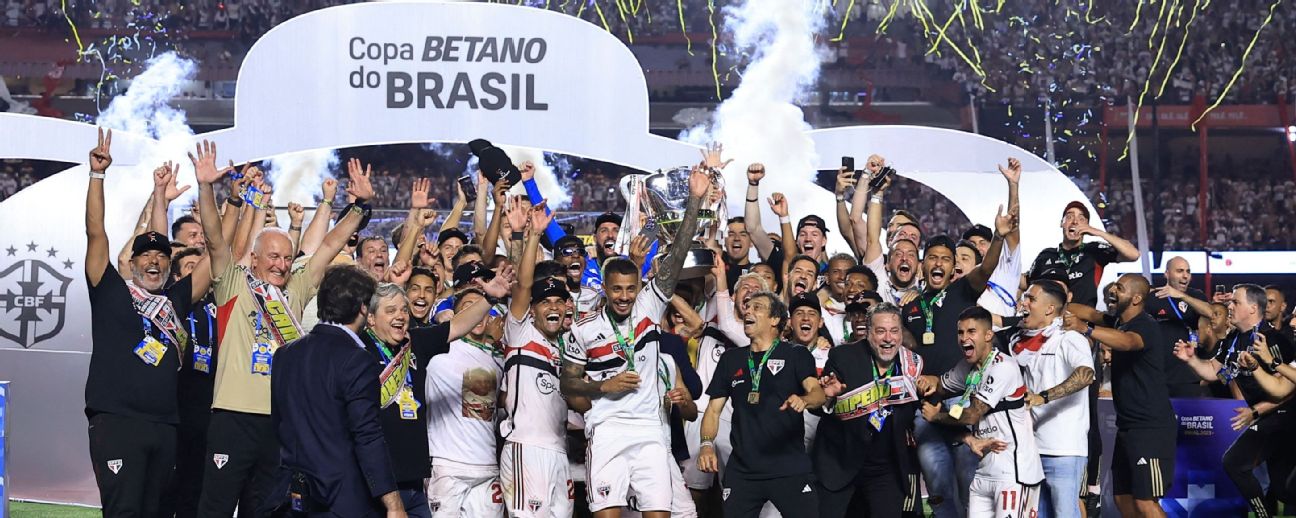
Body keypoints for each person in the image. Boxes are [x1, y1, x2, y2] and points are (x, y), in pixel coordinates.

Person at [193, 144, 372, 516]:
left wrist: (358, 209)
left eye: (287, 257)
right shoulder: (233, 282)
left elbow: (327, 247)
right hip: (233, 415)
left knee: (266, 509)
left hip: (279, 421)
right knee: (216, 508)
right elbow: (213, 238)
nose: (281, 263)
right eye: (273, 256)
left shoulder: (296, 288)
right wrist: (207, 188)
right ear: (254, 258)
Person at [561, 154, 716, 518]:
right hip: (607, 429)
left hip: (649, 431)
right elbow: (568, 383)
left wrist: (694, 201)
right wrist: (603, 387)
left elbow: (677, 256)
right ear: (606, 288)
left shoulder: (648, 305)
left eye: (631, 289)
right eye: (617, 290)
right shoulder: (583, 329)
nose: (625, 297)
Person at [84, 129, 211, 517]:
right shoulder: (108, 288)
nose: (153, 261)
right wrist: (97, 175)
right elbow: (95, 231)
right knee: (124, 511)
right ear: (132, 263)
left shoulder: (172, 300)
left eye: (160, 256)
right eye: (146, 256)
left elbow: (222, 255)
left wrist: (220, 197)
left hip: (165, 425)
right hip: (117, 423)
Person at [270, 265, 406, 518]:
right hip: (342, 501)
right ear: (364, 307)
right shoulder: (358, 360)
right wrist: (394, 504)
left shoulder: (285, 354)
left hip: (290, 497)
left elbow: (278, 425)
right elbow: (367, 436)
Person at [902, 207, 1011, 518]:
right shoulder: (910, 307)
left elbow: (986, 268)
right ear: (923, 265)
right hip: (927, 411)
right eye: (933, 258)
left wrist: (999, 236)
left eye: (945, 259)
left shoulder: (961, 292)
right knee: (937, 488)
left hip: (963, 406)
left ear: (953, 269)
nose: (938, 263)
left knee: (970, 485)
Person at [1170, 284, 1296, 518]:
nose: (1229, 306)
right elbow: (1212, 372)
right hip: (1266, 420)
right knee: (1279, 487)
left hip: (1283, 417)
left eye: (1235, 302)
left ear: (1252, 308)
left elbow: (1287, 391)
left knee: (1242, 467)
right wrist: (1190, 360)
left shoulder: (1274, 340)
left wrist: (1257, 411)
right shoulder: (1233, 341)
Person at [697, 292, 826, 517]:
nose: (748, 310)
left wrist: (804, 400)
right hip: (743, 470)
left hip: (789, 467)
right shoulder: (731, 359)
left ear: (775, 319)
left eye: (757, 307)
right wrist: (706, 444)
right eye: (747, 307)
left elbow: (818, 393)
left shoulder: (796, 354)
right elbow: (713, 410)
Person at [1063, 274, 1175, 518]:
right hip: (1128, 426)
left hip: (1150, 427)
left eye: (1120, 288)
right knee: (1123, 499)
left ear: (1136, 298)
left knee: (1146, 502)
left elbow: (1127, 342)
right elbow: (1089, 312)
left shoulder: (1145, 325)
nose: (1113, 289)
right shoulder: (1117, 322)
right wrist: (1055, 300)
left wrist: (1087, 329)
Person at [918, 307, 1043, 518]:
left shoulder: (1003, 367)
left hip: (1013, 472)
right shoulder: (967, 367)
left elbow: (972, 415)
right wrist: (926, 381)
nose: (964, 338)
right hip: (983, 470)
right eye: (960, 332)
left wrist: (935, 416)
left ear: (988, 335)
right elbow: (940, 385)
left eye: (971, 332)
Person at [500, 199, 577, 517]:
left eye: (560, 301)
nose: (554, 307)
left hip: (560, 453)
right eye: (545, 302)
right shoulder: (520, 332)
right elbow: (523, 284)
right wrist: (532, 235)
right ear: (531, 310)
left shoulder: (568, 346)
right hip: (526, 449)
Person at [813, 303, 924, 518]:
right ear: (868, 332)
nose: (888, 339)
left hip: (886, 469)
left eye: (894, 331)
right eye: (880, 331)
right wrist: (828, 396)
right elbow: (822, 406)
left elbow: (924, 410)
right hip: (840, 462)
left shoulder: (912, 364)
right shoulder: (843, 356)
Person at [425, 286, 513, 517]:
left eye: (482, 309)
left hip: (486, 466)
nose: (477, 314)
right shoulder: (436, 351)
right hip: (448, 466)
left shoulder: (499, 359)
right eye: (469, 308)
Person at [1012, 282, 1094, 518]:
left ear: (1049, 309)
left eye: (1031, 299)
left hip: (1064, 449)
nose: (1024, 302)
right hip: (1034, 448)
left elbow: (1086, 375)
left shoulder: (1069, 339)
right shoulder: (1030, 342)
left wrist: (1043, 397)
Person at [1146, 256, 1212, 397]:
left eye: (1188, 271)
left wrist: (1182, 296)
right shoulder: (1153, 298)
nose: (1185, 276)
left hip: (1188, 375)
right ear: (1167, 274)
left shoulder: (1196, 295)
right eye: (1180, 271)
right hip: (1158, 374)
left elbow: (1211, 312)